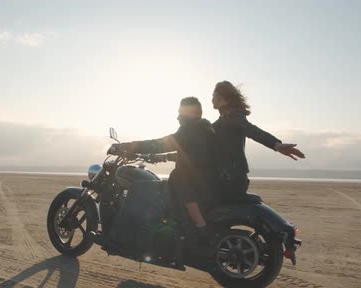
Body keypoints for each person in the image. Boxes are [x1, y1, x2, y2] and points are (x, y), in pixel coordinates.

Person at [109, 97, 217, 231]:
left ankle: (137, 231)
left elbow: (159, 144)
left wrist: (126, 147)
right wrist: (160, 157)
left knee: (143, 188)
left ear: (189, 114)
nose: (177, 117)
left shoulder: (191, 129)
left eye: (180, 113)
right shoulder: (203, 129)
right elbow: (191, 155)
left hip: (189, 184)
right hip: (200, 182)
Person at [211, 81, 306, 202]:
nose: (212, 100)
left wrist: (276, 144)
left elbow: (252, 131)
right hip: (229, 177)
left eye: (213, 96)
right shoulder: (222, 120)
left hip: (229, 179)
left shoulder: (233, 117)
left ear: (222, 99)